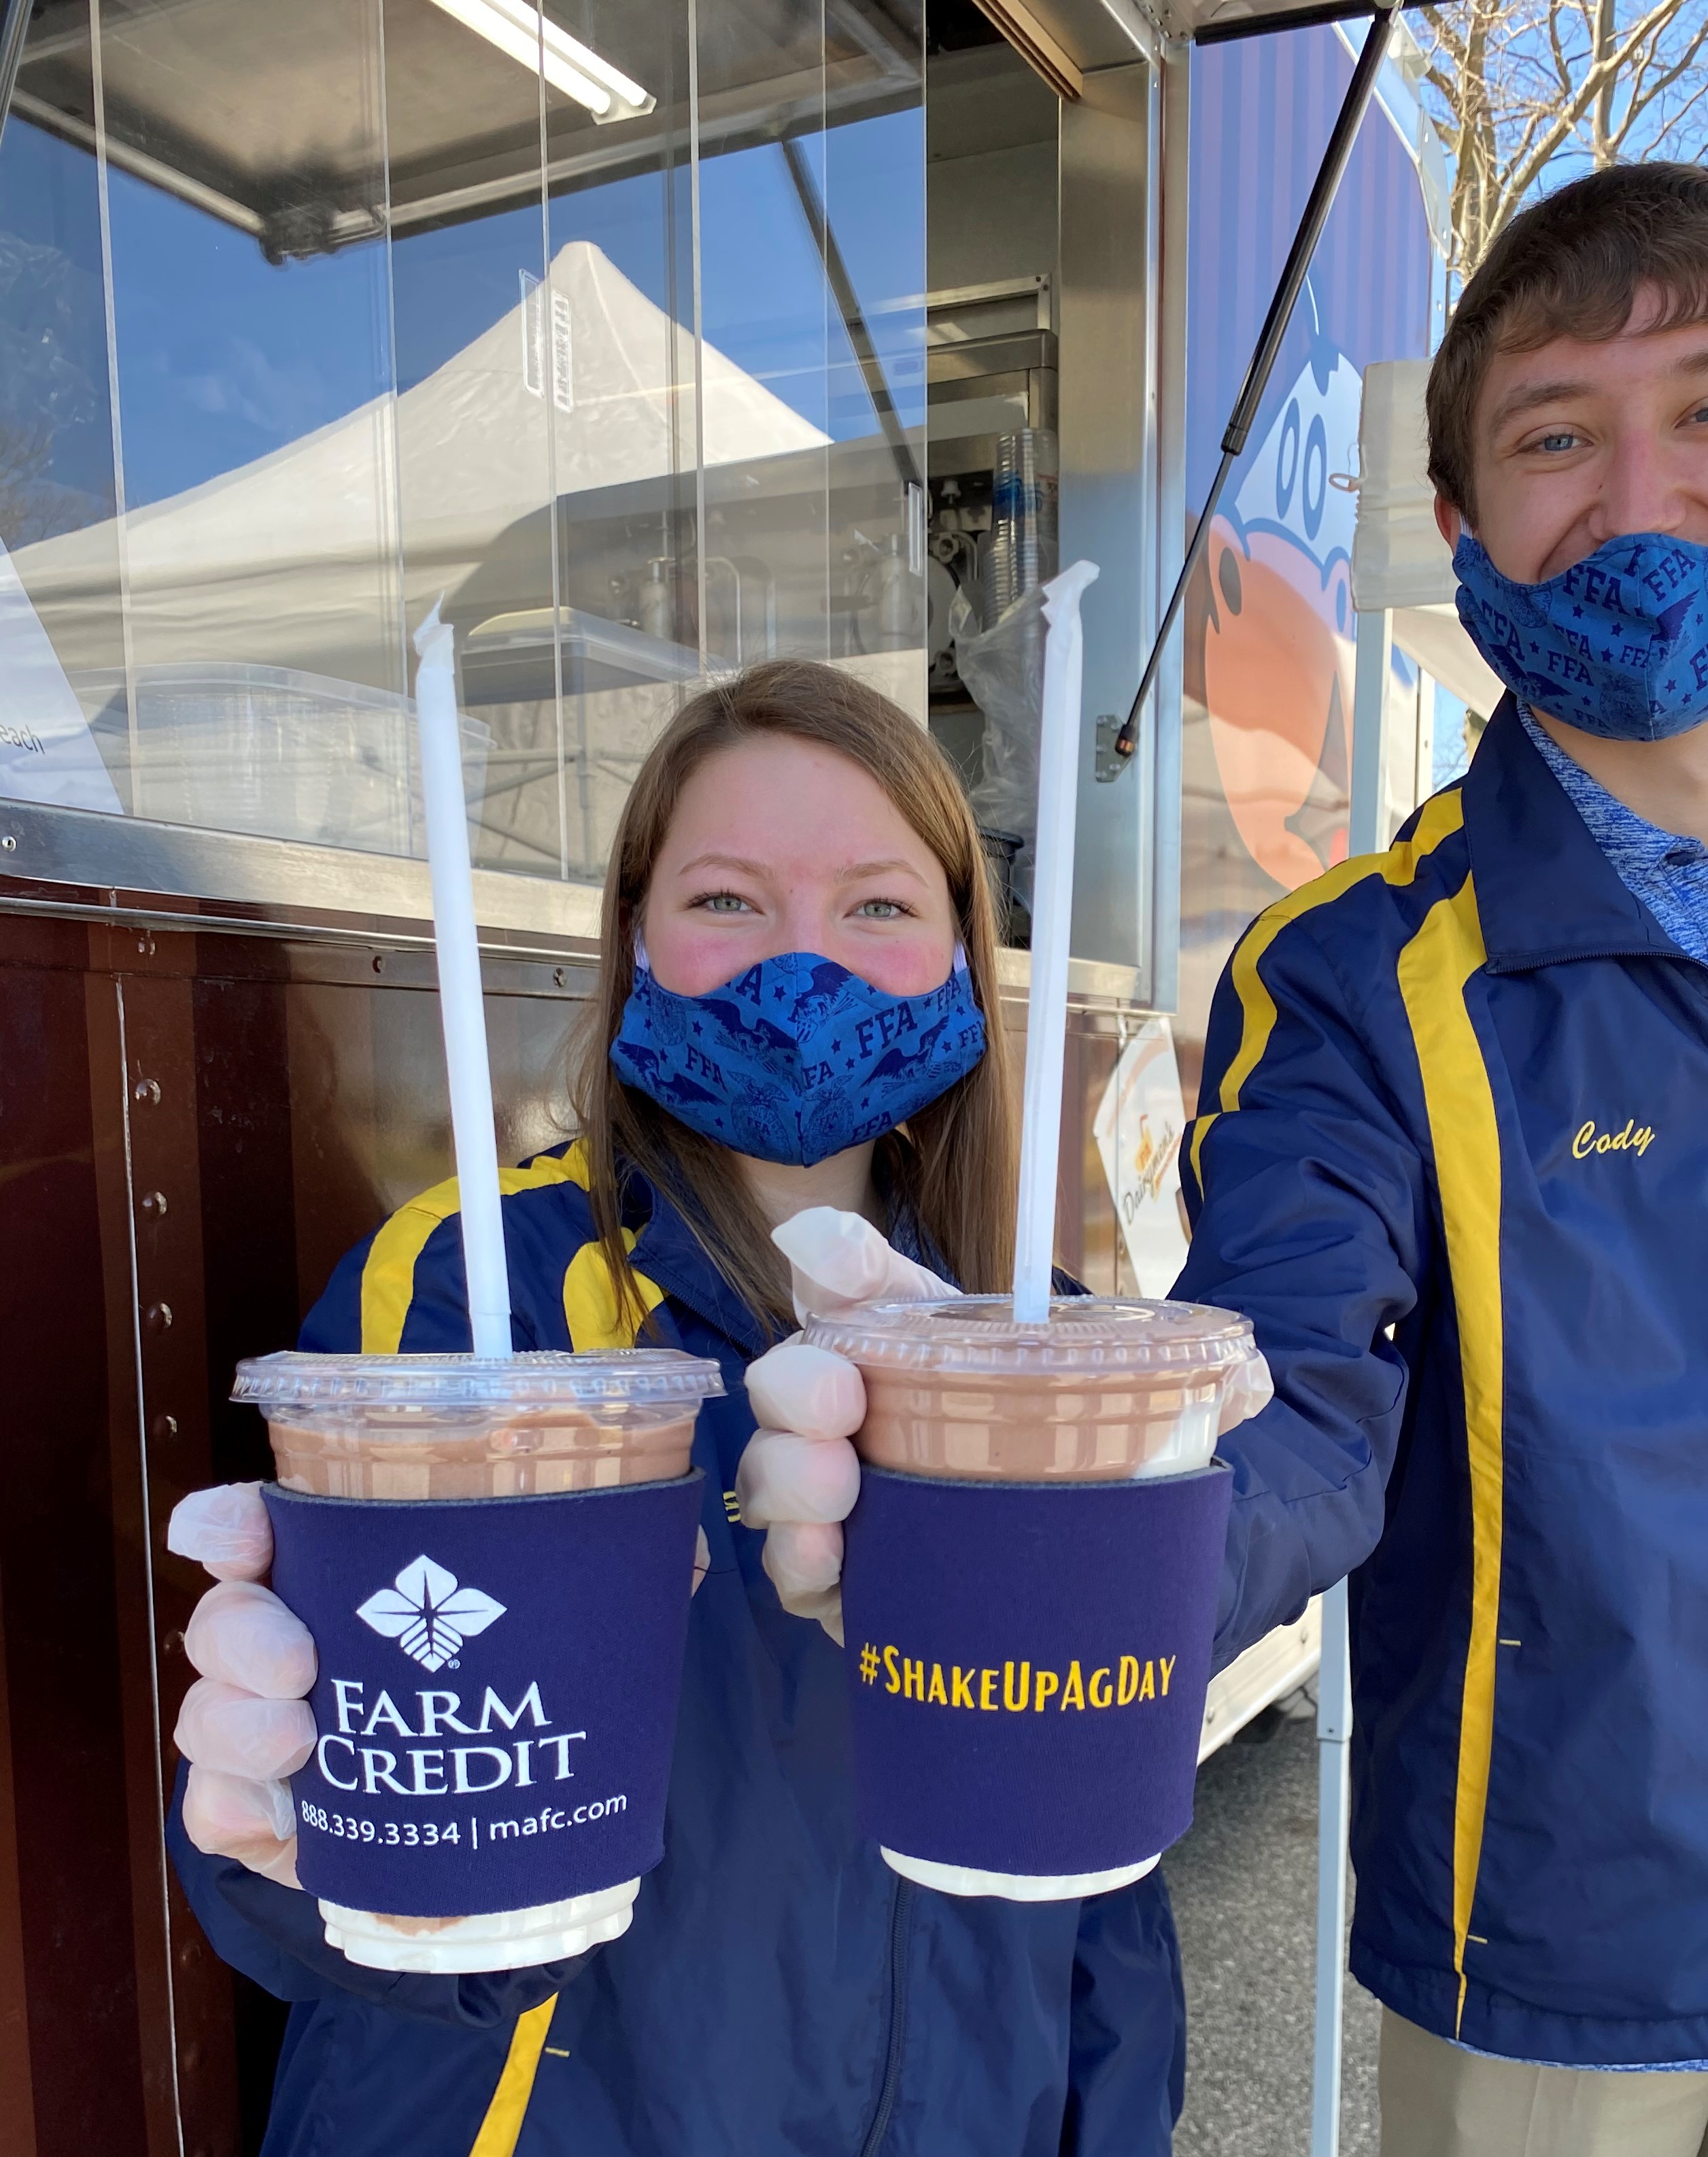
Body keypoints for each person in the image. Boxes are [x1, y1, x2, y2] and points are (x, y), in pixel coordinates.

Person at [1167, 162, 1708, 2152]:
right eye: (1560, 435)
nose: (1639, 497)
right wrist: (1076, 1542)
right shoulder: (1356, 975)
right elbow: (1292, 1395)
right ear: (1465, 522)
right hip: (1545, 1965)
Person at [164, 660, 1195, 2156]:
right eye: (726, 900)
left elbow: (1097, 1863)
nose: (805, 959)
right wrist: (298, 1848)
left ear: (965, 958)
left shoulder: (1036, 1347)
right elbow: (357, 1836)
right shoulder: (469, 1295)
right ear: (635, 937)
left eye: (880, 905)